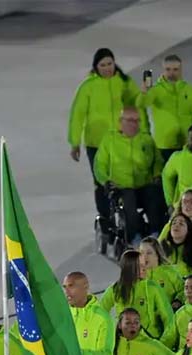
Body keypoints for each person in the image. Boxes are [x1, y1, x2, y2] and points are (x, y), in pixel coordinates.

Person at [68, 48, 142, 224]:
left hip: (120, 140)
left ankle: (126, 215)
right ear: (96, 67)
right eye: (103, 65)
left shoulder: (124, 82)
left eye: (110, 64)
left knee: (122, 178)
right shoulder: (88, 86)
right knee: (101, 182)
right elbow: (77, 114)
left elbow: (137, 104)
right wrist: (75, 142)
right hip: (96, 142)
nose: (107, 68)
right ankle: (105, 218)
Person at [93, 106, 166, 242]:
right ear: (121, 121)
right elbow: (99, 166)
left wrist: (157, 174)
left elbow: (158, 161)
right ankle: (134, 237)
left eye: (137, 120)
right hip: (121, 187)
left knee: (156, 198)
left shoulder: (146, 139)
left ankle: (156, 233)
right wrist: (106, 181)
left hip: (143, 184)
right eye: (130, 120)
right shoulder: (110, 140)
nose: (135, 124)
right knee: (129, 201)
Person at [137, 55, 192, 162]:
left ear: (181, 70)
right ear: (163, 70)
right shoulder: (156, 90)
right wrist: (144, 92)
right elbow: (141, 104)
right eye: (168, 69)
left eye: (175, 69)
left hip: (186, 144)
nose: (172, 73)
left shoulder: (189, 90)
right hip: (164, 145)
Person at [99, 250, 173, 339]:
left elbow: (168, 317)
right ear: (129, 268)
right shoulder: (116, 289)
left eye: (145, 264)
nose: (145, 268)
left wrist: (166, 342)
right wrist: (109, 334)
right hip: (125, 341)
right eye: (140, 266)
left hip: (150, 340)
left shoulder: (152, 287)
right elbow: (100, 312)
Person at [139, 236, 185, 309]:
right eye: (141, 252)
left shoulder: (169, 272)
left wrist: (178, 301)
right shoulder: (137, 274)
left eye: (149, 253)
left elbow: (183, 289)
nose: (144, 257)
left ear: (157, 255)